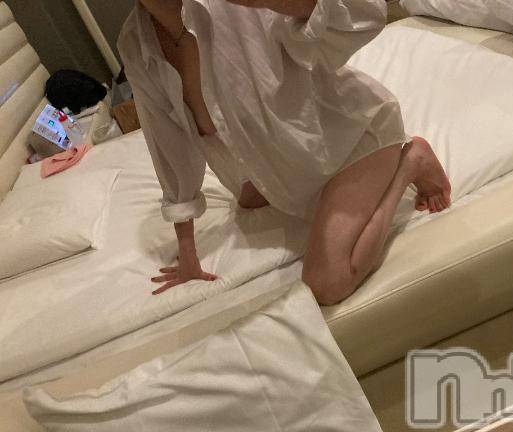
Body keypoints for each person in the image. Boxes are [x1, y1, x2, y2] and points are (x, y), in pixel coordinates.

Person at [118, 0, 452, 305]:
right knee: (249, 199)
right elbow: (168, 141)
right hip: (291, 155)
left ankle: (410, 161)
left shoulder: (234, 8)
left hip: (349, 139)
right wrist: (187, 252)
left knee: (326, 284)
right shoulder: (136, 42)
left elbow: (364, 14)